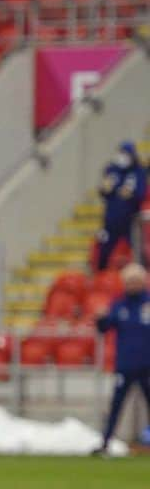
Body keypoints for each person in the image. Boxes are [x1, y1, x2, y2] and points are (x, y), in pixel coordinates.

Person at [94, 262, 150, 454]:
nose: (133, 285)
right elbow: (104, 327)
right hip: (125, 366)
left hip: (147, 366)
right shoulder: (119, 305)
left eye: (136, 281)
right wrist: (100, 318)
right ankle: (105, 443)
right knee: (116, 408)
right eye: (129, 281)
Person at [95, 141, 146, 272]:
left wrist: (129, 194)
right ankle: (100, 275)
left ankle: (142, 276)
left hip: (130, 220)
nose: (123, 156)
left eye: (126, 153)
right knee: (104, 249)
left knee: (137, 250)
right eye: (121, 153)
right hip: (111, 219)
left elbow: (140, 194)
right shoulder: (111, 169)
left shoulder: (138, 171)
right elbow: (105, 192)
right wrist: (105, 190)